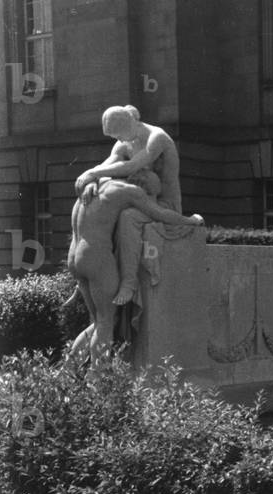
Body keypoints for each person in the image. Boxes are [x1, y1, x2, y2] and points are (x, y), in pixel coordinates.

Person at [68, 169, 202, 363]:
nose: (156, 195)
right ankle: (96, 382)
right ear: (146, 187)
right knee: (106, 322)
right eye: (155, 191)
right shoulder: (131, 192)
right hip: (96, 256)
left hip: (75, 257)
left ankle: (67, 371)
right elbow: (161, 214)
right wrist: (190, 220)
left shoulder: (94, 188)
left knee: (99, 321)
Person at [74, 105, 181, 306]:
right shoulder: (125, 142)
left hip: (165, 205)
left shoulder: (156, 138)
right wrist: (91, 181)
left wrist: (93, 174)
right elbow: (106, 166)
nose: (119, 141)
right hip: (142, 199)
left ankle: (129, 284)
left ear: (130, 123)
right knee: (108, 206)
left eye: (119, 135)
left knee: (128, 217)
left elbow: (131, 166)